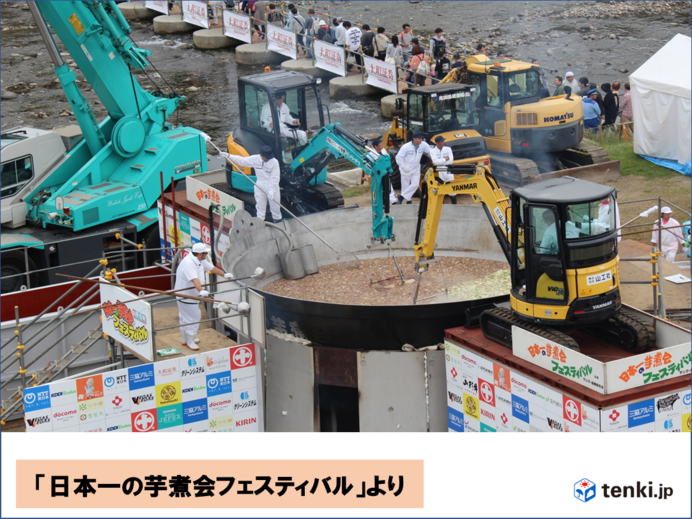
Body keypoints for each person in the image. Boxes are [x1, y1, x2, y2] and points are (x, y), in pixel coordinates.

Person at [175, 242, 233, 350]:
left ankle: (185, 340)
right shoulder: (189, 263)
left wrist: (224, 275)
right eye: (205, 253)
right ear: (200, 254)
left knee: (185, 317)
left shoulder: (198, 260)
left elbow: (211, 268)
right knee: (194, 317)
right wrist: (201, 290)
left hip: (188, 295)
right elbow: (194, 279)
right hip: (186, 297)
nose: (206, 255)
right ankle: (190, 340)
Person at [223, 145, 282, 223]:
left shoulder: (274, 162)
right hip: (259, 184)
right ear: (261, 155)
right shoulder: (255, 159)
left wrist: (272, 191)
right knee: (260, 207)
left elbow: (275, 178)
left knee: (275, 207)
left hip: (272, 185)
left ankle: (278, 221)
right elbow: (241, 161)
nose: (268, 159)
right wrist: (228, 156)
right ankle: (260, 224)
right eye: (266, 157)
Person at [395, 132, 432, 204]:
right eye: (419, 138)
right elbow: (398, 157)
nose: (421, 140)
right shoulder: (406, 147)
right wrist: (403, 166)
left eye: (421, 138)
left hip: (416, 168)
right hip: (406, 168)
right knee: (405, 185)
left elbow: (430, 152)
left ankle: (402, 197)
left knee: (415, 184)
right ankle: (408, 201)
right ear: (414, 139)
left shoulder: (423, 145)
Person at [368, 137, 398, 206]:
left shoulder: (383, 150)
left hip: (385, 171)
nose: (382, 146)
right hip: (377, 174)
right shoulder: (370, 154)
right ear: (376, 146)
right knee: (378, 188)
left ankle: (393, 200)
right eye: (380, 145)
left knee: (389, 186)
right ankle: (379, 202)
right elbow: (368, 164)